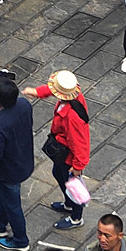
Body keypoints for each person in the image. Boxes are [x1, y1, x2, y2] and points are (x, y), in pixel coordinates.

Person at [0, 75, 35, 250]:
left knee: (13, 205)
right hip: (23, 159)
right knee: (4, 195)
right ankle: (0, 221)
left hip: (9, 170)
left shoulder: (0, 125)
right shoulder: (24, 105)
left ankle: (21, 240)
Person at [34, 71, 91, 230]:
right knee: (58, 174)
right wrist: (38, 92)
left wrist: (78, 166)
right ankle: (68, 203)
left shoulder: (72, 117)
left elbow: (80, 143)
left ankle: (76, 217)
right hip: (64, 151)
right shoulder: (74, 95)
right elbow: (53, 90)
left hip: (69, 157)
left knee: (72, 184)